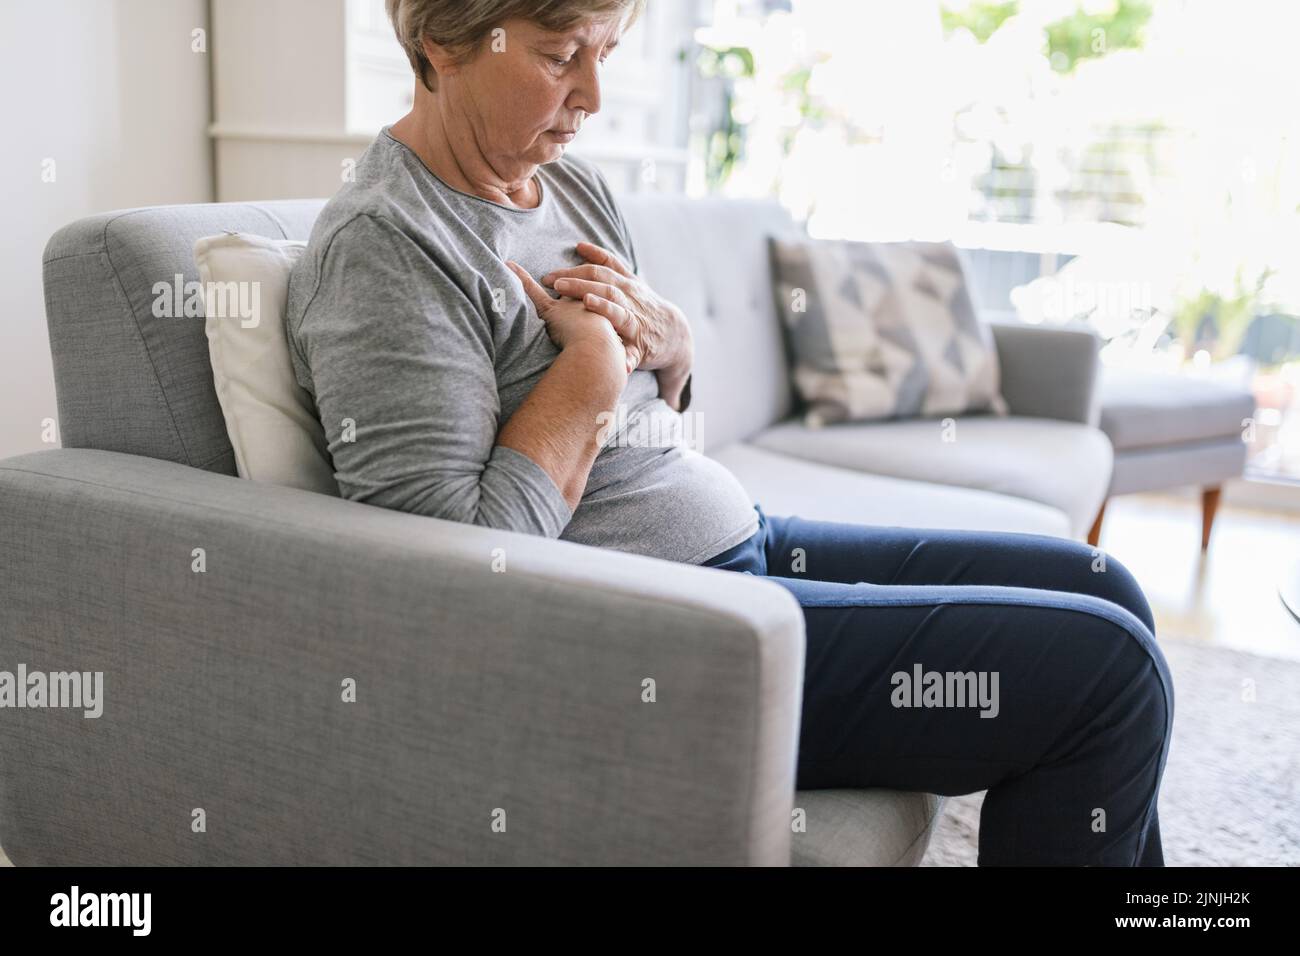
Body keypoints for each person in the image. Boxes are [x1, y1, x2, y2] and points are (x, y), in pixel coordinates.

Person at [284, 0, 1173, 865]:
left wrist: (672, 339)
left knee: (1106, 585)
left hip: (738, 540)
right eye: (561, 57)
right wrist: (593, 364)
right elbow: (459, 575)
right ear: (442, 43)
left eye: (606, 52)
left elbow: (660, 396)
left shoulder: (570, 183)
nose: (593, 94)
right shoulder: (387, 247)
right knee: (1106, 673)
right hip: (647, 634)